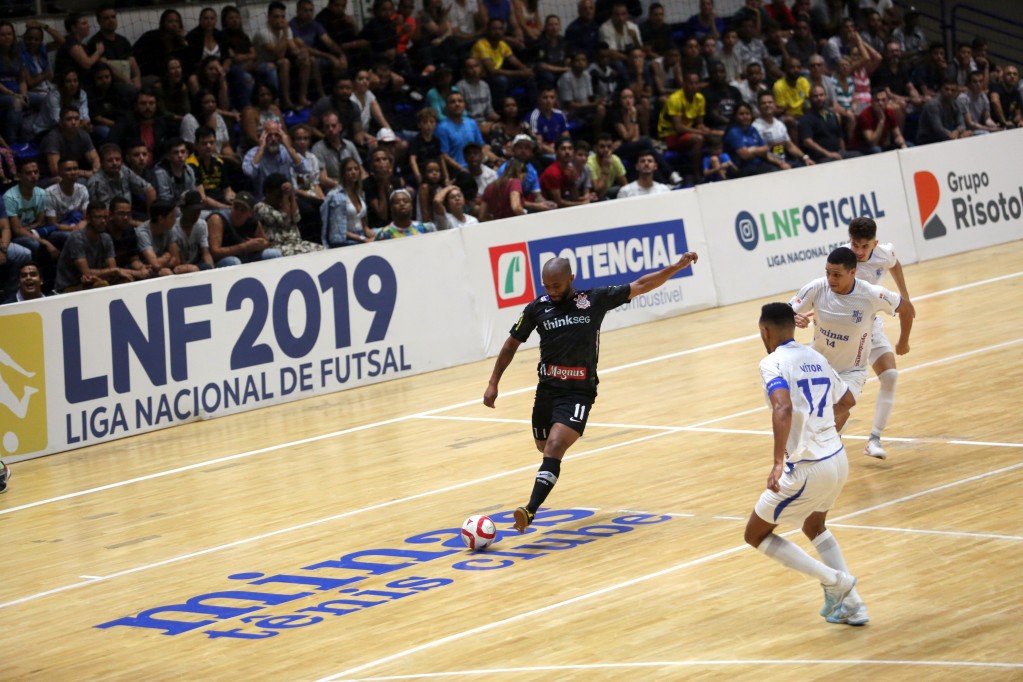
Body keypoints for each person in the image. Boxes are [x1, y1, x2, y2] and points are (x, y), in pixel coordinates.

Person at [483, 251, 699, 532]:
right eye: (546, 286)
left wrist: (675, 267)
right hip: (547, 391)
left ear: (571, 278)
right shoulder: (537, 308)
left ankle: (530, 510)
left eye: (557, 286)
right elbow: (511, 344)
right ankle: (544, 480)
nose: (551, 291)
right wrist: (493, 382)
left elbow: (642, 284)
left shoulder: (593, 300)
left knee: (555, 447)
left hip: (578, 392)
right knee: (544, 446)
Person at [744, 302, 865, 626]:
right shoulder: (816, 356)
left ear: (764, 331)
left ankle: (837, 582)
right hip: (837, 459)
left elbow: (781, 407)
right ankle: (853, 606)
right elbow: (847, 400)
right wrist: (824, 430)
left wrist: (776, 462)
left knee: (755, 534)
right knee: (814, 526)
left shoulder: (772, 363)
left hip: (808, 468)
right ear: (793, 327)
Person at [789, 246, 913, 428]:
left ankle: (820, 427)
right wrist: (792, 318)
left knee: (843, 405)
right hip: (818, 364)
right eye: (828, 273)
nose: (830, 279)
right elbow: (782, 314)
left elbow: (907, 309)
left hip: (852, 369)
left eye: (837, 275)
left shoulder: (871, 294)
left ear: (852, 272)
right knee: (821, 419)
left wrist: (903, 340)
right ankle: (827, 432)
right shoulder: (817, 287)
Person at [846, 217, 914, 459]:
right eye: (855, 245)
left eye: (865, 246)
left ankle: (874, 439)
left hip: (871, 325)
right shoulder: (843, 258)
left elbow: (894, 264)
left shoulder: (885, 253)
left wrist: (904, 295)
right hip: (845, 329)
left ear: (875, 243)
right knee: (841, 391)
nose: (859, 251)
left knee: (890, 376)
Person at [53, 201, 136, 292]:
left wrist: (114, 272)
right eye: (98, 217)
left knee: (125, 281)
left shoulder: (106, 238)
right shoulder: (77, 239)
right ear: (88, 218)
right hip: (69, 287)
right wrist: (113, 271)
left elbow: (112, 269)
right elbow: (87, 273)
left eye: (105, 217)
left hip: (95, 282)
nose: (103, 221)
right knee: (99, 286)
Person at [207, 192, 282, 267]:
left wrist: (259, 244)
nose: (238, 212)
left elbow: (266, 242)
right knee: (234, 261)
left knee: (274, 253)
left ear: (250, 213)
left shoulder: (253, 222)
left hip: (246, 257)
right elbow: (215, 252)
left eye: (243, 210)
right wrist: (244, 247)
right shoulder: (218, 219)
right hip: (223, 260)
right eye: (236, 207)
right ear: (231, 207)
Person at [87, 143, 156, 217]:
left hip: (128, 216)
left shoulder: (123, 170)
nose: (115, 163)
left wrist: (151, 219)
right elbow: (104, 215)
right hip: (109, 221)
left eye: (117, 159)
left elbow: (150, 190)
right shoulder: (96, 182)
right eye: (110, 160)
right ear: (102, 163)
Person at [322, 157, 372, 247]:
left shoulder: (360, 194)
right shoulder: (336, 196)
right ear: (343, 174)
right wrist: (363, 239)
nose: (353, 172)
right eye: (349, 170)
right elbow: (338, 231)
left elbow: (365, 227)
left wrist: (377, 237)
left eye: (356, 169)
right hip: (345, 241)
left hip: (361, 235)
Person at [916, 77, 971, 145]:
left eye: (952, 90)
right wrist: (957, 136)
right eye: (946, 89)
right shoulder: (933, 105)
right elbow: (938, 130)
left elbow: (962, 124)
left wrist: (957, 131)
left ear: (956, 92)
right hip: (928, 141)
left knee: (970, 134)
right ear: (941, 89)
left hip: (946, 138)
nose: (949, 92)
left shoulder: (955, 103)